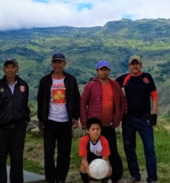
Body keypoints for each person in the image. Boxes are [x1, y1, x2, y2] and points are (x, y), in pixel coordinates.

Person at [37, 53, 81, 183]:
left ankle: (61, 179)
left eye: (60, 62)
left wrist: (76, 117)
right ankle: (50, 179)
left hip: (65, 122)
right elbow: (41, 100)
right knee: (48, 153)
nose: (57, 64)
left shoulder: (71, 80)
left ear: (64, 64)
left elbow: (76, 99)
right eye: (55, 62)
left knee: (64, 153)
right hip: (50, 122)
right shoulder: (45, 80)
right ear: (52, 63)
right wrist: (41, 119)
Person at [80, 61, 126, 183]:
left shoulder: (115, 85)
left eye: (106, 69)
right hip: (94, 126)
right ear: (97, 71)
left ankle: (115, 176)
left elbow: (122, 101)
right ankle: (92, 174)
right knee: (91, 152)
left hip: (108, 125)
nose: (104, 72)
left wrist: (118, 118)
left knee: (112, 151)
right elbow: (83, 103)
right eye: (101, 69)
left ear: (109, 71)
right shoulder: (91, 86)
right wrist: (85, 122)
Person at [0, 58, 31, 183]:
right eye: (7, 67)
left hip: (18, 128)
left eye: (13, 67)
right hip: (1, 128)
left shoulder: (23, 85)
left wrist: (25, 120)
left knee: (17, 158)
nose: (10, 70)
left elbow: (25, 105)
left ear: (17, 69)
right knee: (1, 158)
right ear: (4, 69)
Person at [116, 55, 158, 183]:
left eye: (137, 63)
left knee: (149, 148)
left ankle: (152, 178)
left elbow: (154, 96)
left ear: (141, 65)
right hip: (128, 119)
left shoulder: (147, 77)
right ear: (129, 66)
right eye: (132, 64)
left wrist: (154, 114)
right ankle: (135, 175)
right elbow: (109, 84)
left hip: (145, 119)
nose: (134, 66)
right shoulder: (124, 79)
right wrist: (93, 81)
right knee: (129, 147)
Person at [79, 118, 112, 183]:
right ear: (88, 131)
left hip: (101, 161)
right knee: (83, 167)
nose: (95, 131)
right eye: (93, 129)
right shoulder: (84, 140)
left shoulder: (104, 141)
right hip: (89, 161)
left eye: (97, 129)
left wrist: (106, 167)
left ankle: (104, 181)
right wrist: (88, 168)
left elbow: (106, 159)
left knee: (109, 169)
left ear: (100, 130)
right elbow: (83, 159)